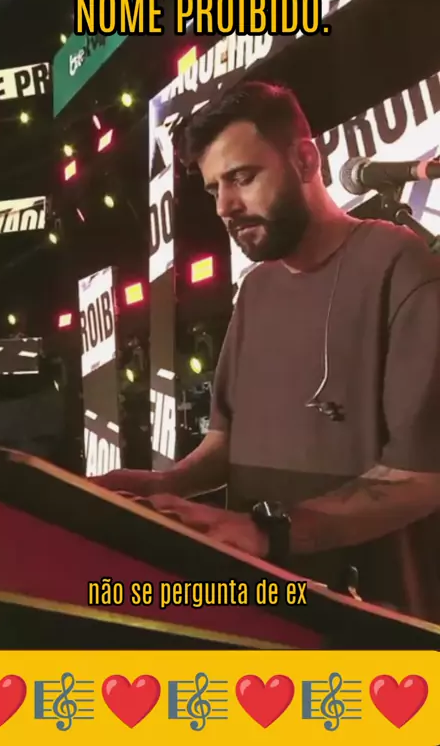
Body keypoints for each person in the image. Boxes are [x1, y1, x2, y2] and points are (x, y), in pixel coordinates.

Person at [92, 82, 440, 621]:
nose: (225, 207)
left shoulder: (402, 267)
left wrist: (270, 531)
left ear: (305, 160)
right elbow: (224, 444)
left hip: (369, 623)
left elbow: (421, 479)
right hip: (261, 611)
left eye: (242, 177)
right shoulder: (254, 290)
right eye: (214, 188)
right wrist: (164, 484)